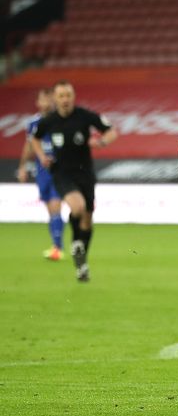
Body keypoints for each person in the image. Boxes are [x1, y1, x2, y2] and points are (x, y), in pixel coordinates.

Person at [31, 80, 118, 282]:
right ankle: (76, 245)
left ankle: (81, 261)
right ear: (55, 98)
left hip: (85, 174)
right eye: (61, 96)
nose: (65, 99)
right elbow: (34, 138)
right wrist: (42, 156)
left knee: (87, 219)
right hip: (62, 173)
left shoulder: (84, 116)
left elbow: (111, 131)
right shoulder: (49, 121)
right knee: (77, 207)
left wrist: (101, 141)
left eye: (68, 95)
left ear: (73, 97)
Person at [17, 88, 64, 261]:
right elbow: (29, 146)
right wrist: (22, 167)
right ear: (38, 103)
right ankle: (55, 245)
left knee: (56, 206)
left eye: (50, 99)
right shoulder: (33, 123)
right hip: (42, 172)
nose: (47, 103)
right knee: (50, 210)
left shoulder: (60, 120)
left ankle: (57, 248)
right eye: (43, 99)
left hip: (59, 170)